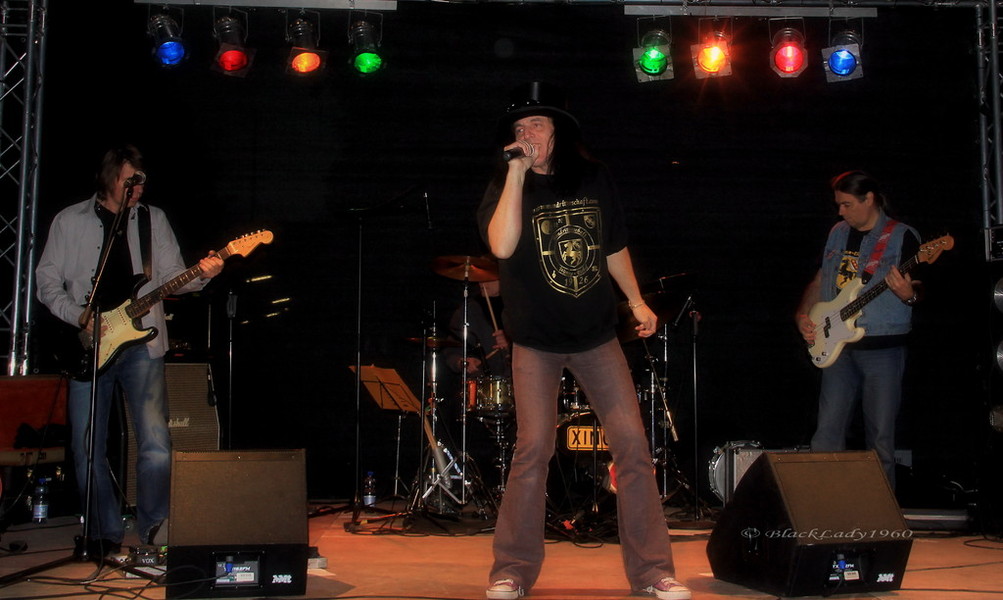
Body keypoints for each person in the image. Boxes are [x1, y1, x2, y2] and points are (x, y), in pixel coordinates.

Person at [477, 82, 690, 600]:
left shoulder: (594, 178)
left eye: (536, 124)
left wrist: (637, 301)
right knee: (533, 448)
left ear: (558, 130)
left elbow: (613, 247)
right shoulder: (505, 184)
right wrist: (515, 172)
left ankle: (653, 572)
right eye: (519, 127)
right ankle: (512, 570)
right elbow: (501, 244)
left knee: (633, 445)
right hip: (535, 340)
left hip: (596, 336)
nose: (526, 133)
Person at [36, 144, 224, 556]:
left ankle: (154, 525)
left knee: (156, 441)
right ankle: (103, 531)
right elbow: (47, 280)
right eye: (130, 181)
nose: (138, 188)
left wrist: (203, 274)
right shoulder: (70, 220)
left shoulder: (154, 220)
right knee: (87, 445)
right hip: (90, 344)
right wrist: (78, 315)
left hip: (143, 345)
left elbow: (173, 276)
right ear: (110, 179)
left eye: (142, 181)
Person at [796, 170, 921, 489]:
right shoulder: (837, 233)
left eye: (847, 204)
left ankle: (880, 511)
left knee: (880, 437)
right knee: (827, 432)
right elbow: (821, 278)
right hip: (836, 347)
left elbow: (919, 290)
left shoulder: (902, 236)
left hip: (883, 348)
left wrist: (909, 295)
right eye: (838, 204)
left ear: (869, 199)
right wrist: (803, 313)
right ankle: (823, 502)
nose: (841, 212)